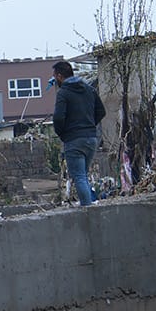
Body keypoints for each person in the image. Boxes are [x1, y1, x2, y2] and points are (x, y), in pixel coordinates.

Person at [52, 60, 106, 206]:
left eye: (55, 76)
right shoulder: (89, 89)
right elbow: (101, 111)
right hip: (91, 139)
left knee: (80, 177)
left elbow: (58, 118)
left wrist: (63, 134)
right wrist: (89, 125)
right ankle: (89, 205)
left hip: (74, 140)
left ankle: (88, 211)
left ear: (59, 76)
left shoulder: (63, 93)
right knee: (83, 176)